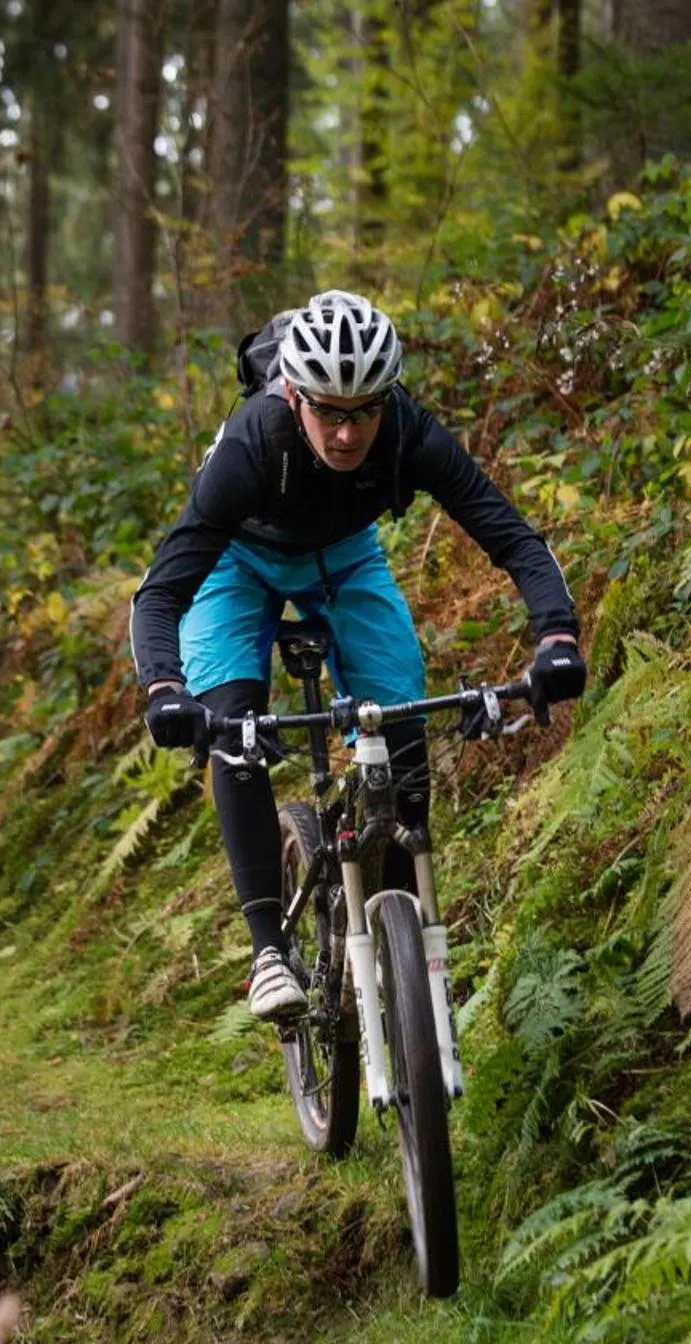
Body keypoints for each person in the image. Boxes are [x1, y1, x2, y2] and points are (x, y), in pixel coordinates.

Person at [129, 291, 588, 1021]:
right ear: (295, 394)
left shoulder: (409, 433)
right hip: (236, 563)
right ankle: (268, 953)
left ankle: (404, 954)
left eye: (365, 411)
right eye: (329, 413)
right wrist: (163, 688)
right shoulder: (253, 444)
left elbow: (513, 538)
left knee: (399, 722)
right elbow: (161, 592)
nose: (347, 435)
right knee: (231, 722)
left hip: (343, 559)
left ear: (389, 399)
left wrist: (557, 638)